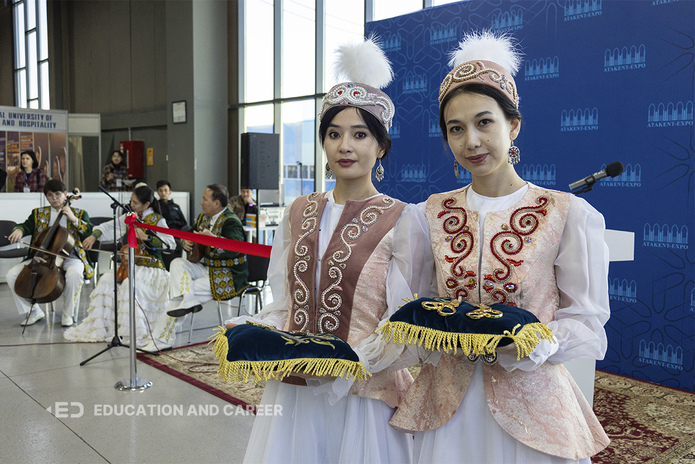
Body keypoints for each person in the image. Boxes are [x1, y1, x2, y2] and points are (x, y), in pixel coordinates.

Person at [389, 31, 611, 463]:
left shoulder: (564, 213)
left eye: (484, 122)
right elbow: (412, 308)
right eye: (456, 128)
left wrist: (533, 344)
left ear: (514, 124)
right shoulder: (428, 214)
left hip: (533, 402)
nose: (471, 141)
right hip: (447, 405)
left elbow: (586, 321)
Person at [222, 38, 434, 464]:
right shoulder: (299, 210)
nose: (345, 146)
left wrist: (356, 357)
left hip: (362, 394)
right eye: (334, 134)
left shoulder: (403, 218)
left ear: (381, 146)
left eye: (360, 134)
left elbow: (408, 320)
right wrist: (257, 330)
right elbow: (284, 299)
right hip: (293, 387)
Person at [139, 183, 249, 352]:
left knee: (178, 298)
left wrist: (214, 239)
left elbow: (235, 250)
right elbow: (188, 235)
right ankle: (188, 300)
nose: (201, 202)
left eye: (205, 199)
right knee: (177, 263)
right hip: (207, 269)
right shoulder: (202, 218)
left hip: (227, 276)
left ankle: (162, 339)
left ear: (217, 203)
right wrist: (186, 242)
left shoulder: (231, 222)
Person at [64, 184, 175, 347]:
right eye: (131, 201)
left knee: (131, 287)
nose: (131, 205)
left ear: (146, 205)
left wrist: (148, 238)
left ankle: (134, 331)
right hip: (131, 264)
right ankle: (107, 329)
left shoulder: (158, 220)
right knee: (106, 281)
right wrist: (94, 236)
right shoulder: (131, 217)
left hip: (152, 267)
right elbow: (109, 226)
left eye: (135, 203)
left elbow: (170, 244)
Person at [6, 179, 94, 327]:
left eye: (58, 194)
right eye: (50, 195)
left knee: (75, 274)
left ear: (65, 194)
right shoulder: (38, 213)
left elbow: (89, 232)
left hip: (72, 256)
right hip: (43, 258)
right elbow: (24, 226)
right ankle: (34, 311)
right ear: (46, 197)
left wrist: (73, 219)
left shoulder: (79, 213)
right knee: (11, 275)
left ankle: (68, 314)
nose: (54, 198)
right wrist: (19, 230)